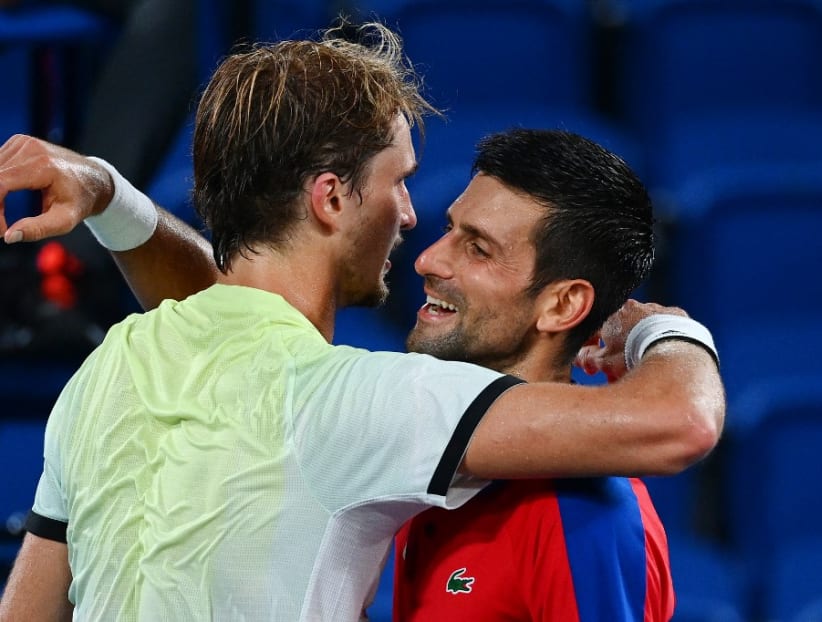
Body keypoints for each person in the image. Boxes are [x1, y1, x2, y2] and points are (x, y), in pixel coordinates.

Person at [0, 22, 723, 622]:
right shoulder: (365, 403)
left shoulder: (108, 373)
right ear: (330, 199)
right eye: (399, 182)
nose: (411, 224)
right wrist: (658, 327)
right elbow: (679, 421)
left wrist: (110, 198)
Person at [393, 129, 673, 620]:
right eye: (450, 229)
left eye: (478, 249)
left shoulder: (583, 517)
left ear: (563, 305)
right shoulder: (439, 452)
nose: (428, 259)